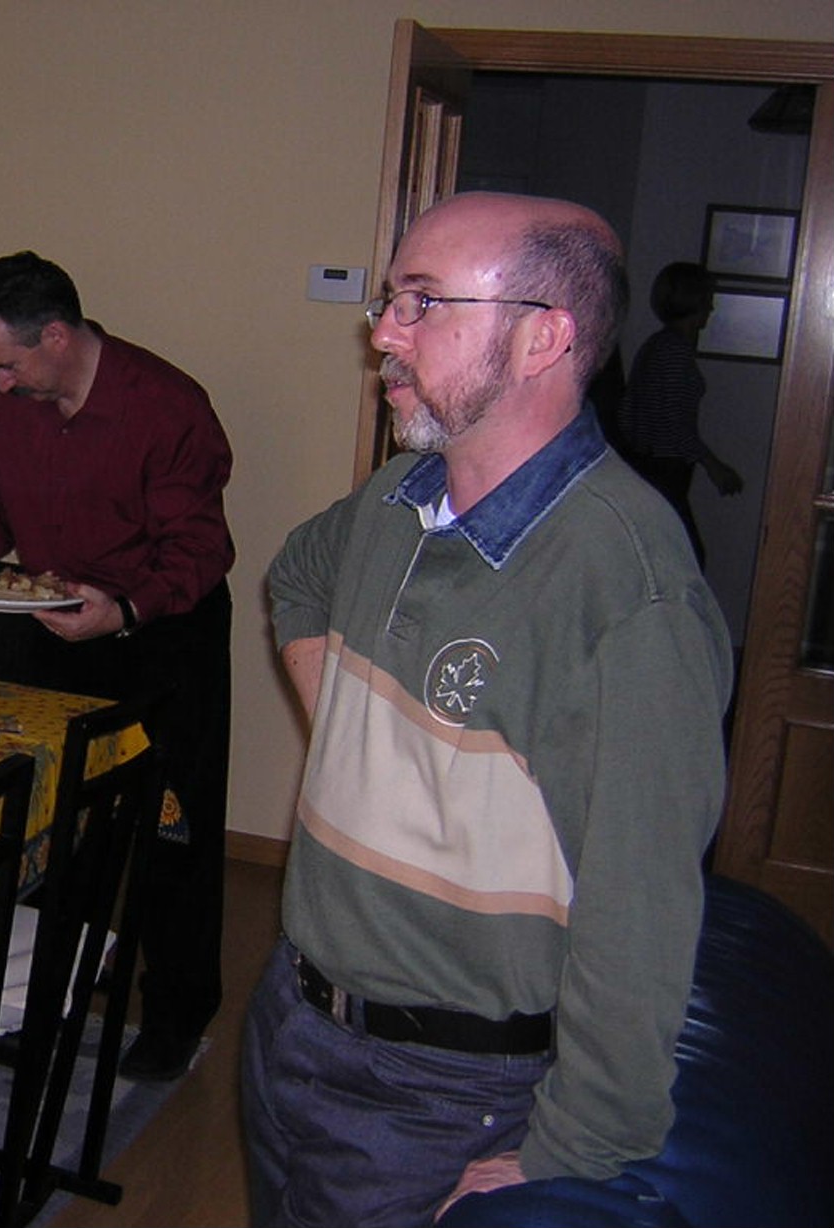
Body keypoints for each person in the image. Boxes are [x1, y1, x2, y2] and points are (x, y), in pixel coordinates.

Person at [244, 193, 732, 1227]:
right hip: (290, 1014)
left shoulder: (627, 588)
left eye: (422, 302)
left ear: (541, 338)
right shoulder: (398, 496)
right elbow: (297, 575)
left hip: (437, 1091)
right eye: (389, 300)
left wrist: (576, 1146)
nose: (382, 332)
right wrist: (349, 736)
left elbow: (640, 912)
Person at [0, 251, 235, 1081]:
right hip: (57, 627)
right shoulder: (10, 401)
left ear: (56, 335)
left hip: (162, 630)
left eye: (6, 365)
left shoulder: (166, 406)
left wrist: (124, 609)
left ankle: (174, 1015)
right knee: (59, 826)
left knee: (172, 828)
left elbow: (199, 548)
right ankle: (45, 1000)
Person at [617, 260, 744, 570]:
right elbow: (675, 423)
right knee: (685, 560)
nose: (711, 307)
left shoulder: (662, 346)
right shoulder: (672, 351)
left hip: (654, 466)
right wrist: (713, 465)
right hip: (663, 469)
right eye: (707, 298)